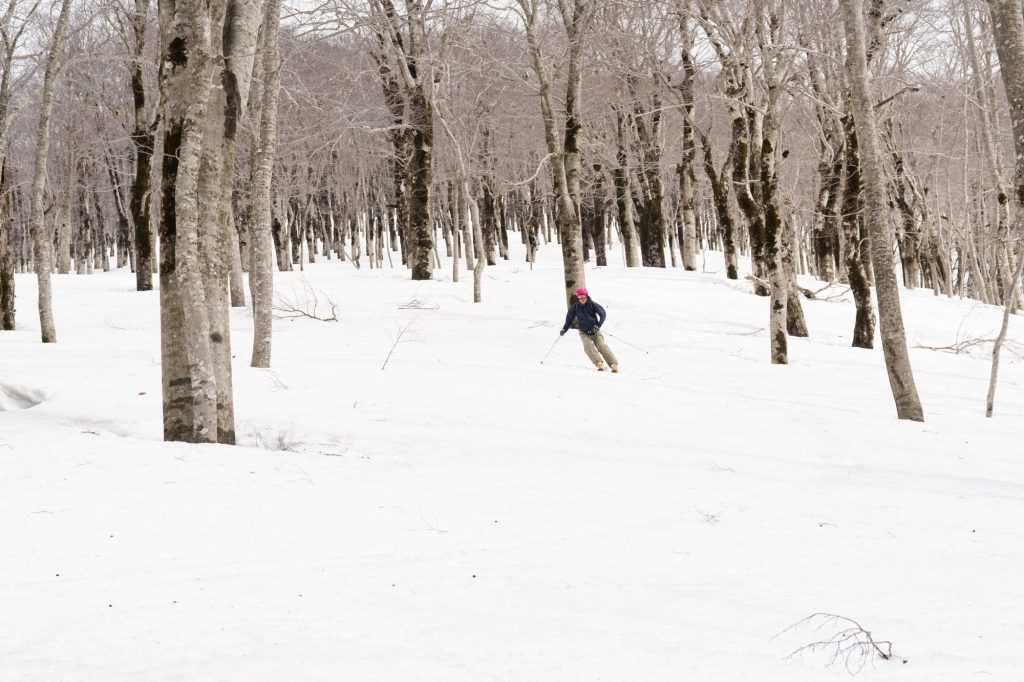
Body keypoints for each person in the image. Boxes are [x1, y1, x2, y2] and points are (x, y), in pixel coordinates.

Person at [560, 287, 619, 372]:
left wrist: (598, 325)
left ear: (586, 296)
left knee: (601, 346)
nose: (582, 299)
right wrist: (564, 329)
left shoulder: (592, 304)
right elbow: (569, 319)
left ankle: (613, 363)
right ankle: (599, 363)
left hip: (595, 330)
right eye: (579, 297)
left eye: (583, 297)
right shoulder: (575, 307)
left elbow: (603, 314)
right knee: (587, 346)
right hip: (583, 331)